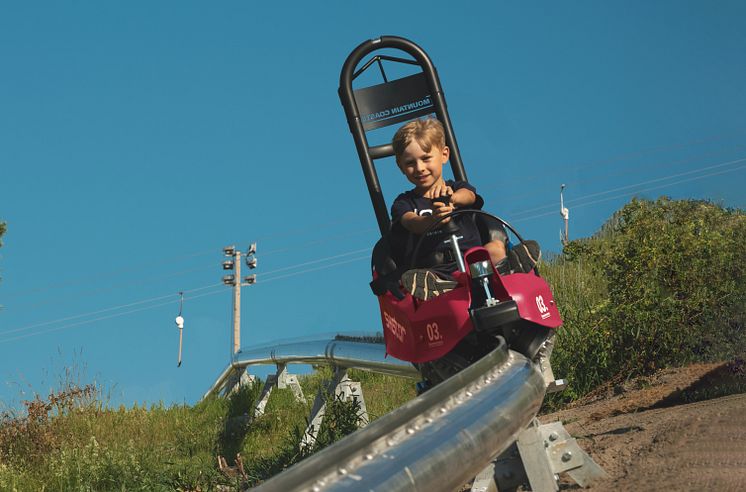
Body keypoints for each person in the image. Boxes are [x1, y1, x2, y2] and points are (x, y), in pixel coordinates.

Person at [390, 118, 510, 300]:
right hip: (437, 269)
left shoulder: (457, 188)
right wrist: (434, 220)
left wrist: (452, 200)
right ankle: (443, 288)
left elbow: (469, 196)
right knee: (424, 277)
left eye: (426, 158)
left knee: (495, 249)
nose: (419, 168)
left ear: (444, 155)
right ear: (401, 167)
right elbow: (412, 223)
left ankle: (505, 268)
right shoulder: (404, 203)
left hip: (474, 261)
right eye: (410, 163)